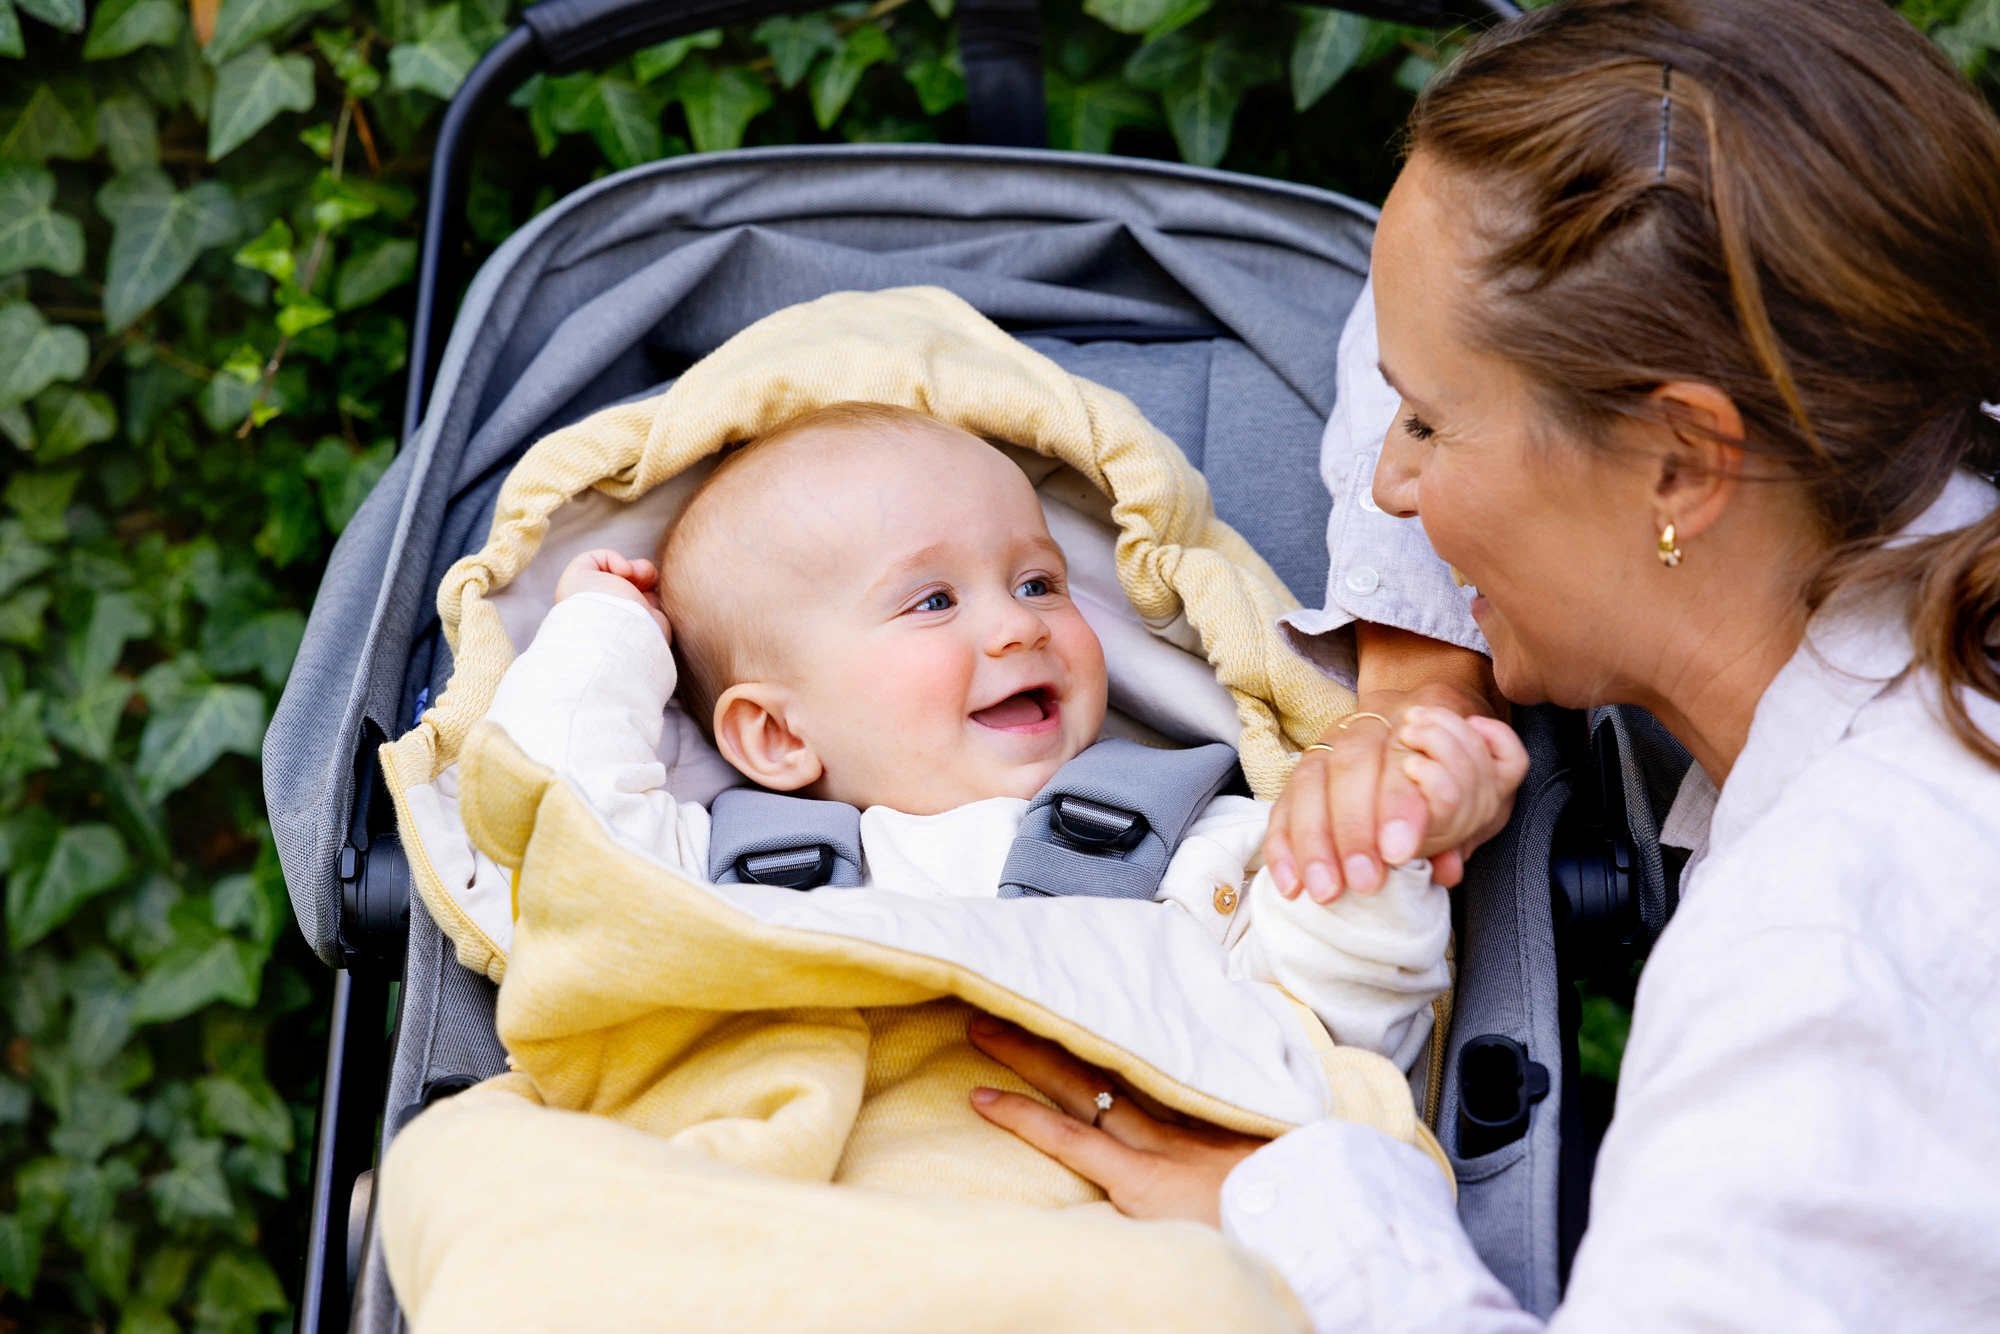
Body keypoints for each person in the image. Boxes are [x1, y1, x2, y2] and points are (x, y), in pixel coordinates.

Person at [968, 0, 2000, 1327]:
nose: (1384, 488)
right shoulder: (1923, 434)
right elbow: (1444, 291)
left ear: (1681, 461)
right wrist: (1418, 679)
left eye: (1424, 422)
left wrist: (1315, 1205)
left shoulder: (1823, 966)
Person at [484, 400, 1527, 1068]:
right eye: (933, 600)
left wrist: (1376, 841)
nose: (1018, 624)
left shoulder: (1193, 840)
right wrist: (608, 631)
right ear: (773, 734)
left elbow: (1330, 1030)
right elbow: (553, 825)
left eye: (1038, 582)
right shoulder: (710, 871)